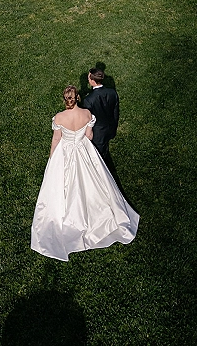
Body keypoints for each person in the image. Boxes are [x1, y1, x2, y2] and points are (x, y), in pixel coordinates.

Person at [31, 85, 139, 261]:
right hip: (83, 150)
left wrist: (52, 160)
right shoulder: (87, 114)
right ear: (78, 98)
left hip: (64, 153)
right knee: (95, 182)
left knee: (63, 187)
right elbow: (88, 136)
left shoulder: (59, 117)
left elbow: (57, 139)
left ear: (64, 99)